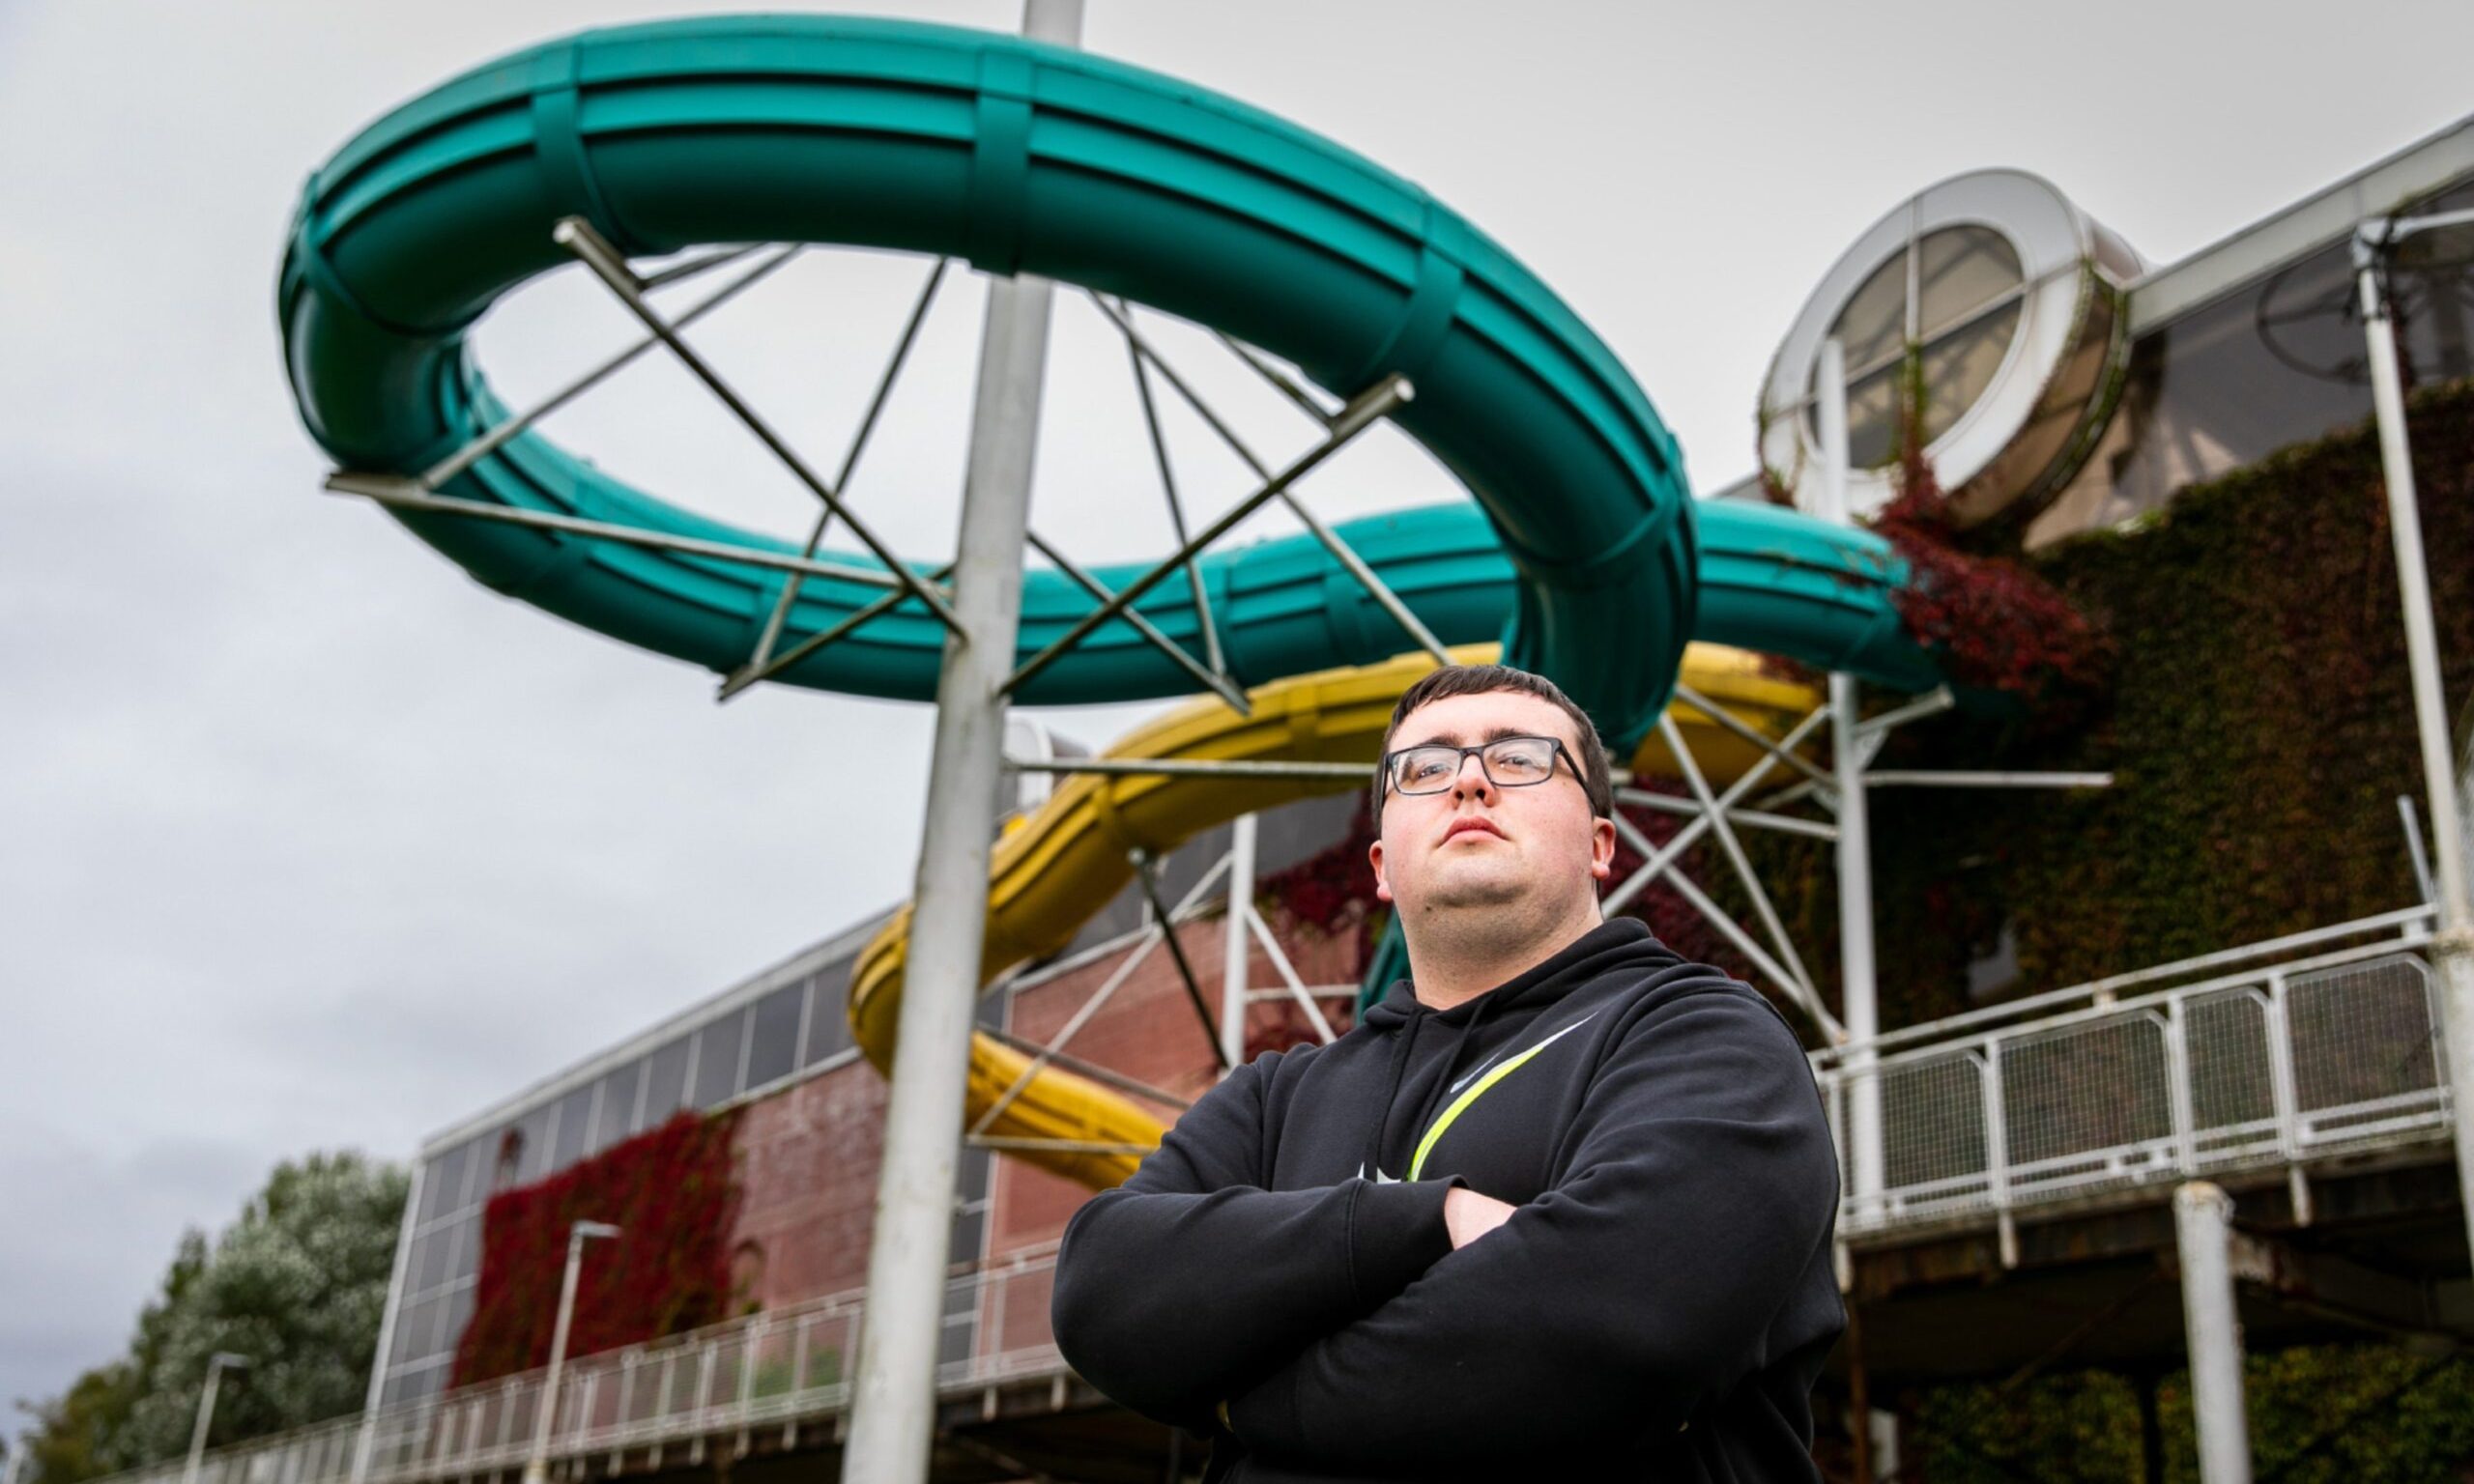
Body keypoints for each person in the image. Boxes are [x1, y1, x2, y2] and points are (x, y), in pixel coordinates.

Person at [1050, 663, 1844, 1482]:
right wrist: (1431, 1220)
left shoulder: (1703, 1039)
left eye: (1520, 758)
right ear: (1382, 867)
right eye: (1424, 769)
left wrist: (1250, 1405)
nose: (1468, 780)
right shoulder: (1276, 1098)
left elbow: (1620, 1327)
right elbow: (1103, 1290)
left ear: (1600, 845)